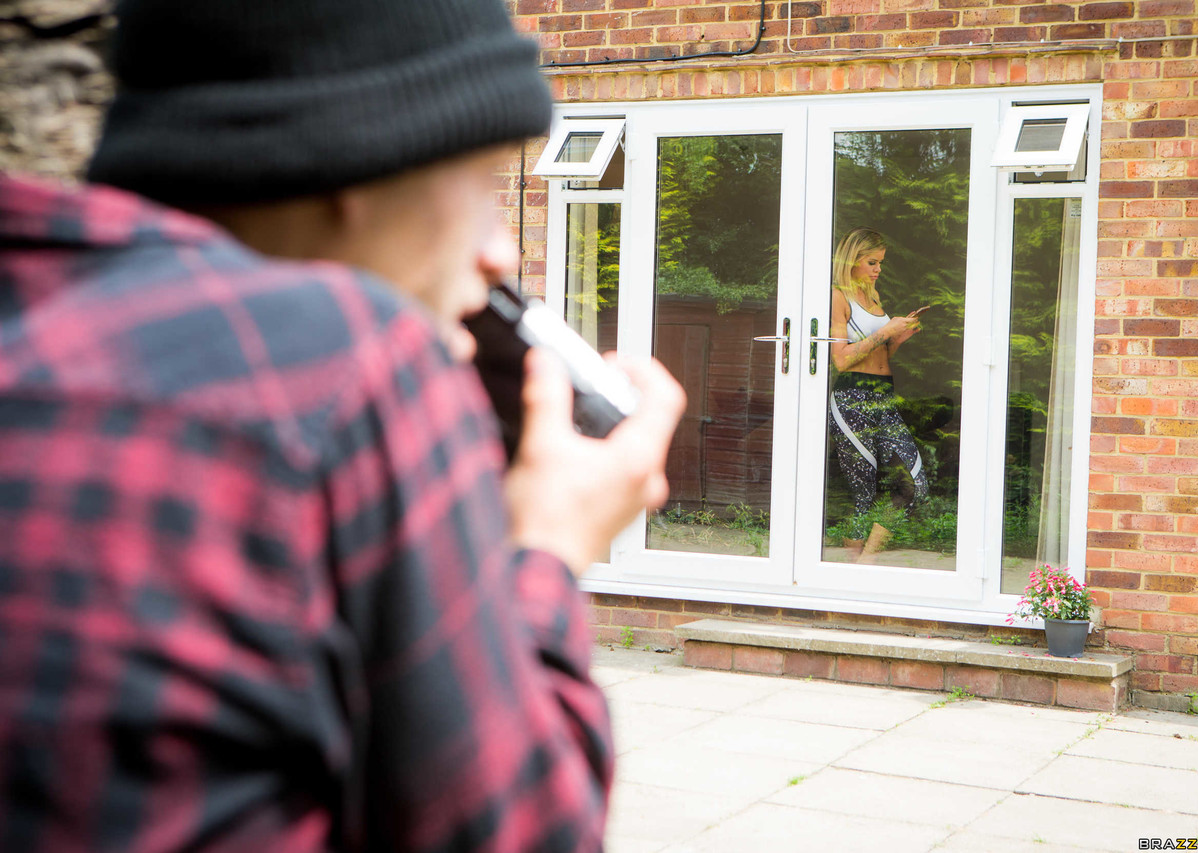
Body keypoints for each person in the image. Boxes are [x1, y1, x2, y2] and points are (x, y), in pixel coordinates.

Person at [0, 1, 685, 851]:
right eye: (479, 188)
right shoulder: (351, 362)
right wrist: (547, 545)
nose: (500, 254)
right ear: (350, 163)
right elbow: (519, 831)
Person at [827, 227, 929, 563]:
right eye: (872, 262)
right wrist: (886, 331)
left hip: (883, 395)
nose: (878, 269)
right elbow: (841, 359)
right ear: (852, 260)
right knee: (862, 491)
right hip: (852, 397)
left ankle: (866, 556)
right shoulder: (838, 296)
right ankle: (859, 566)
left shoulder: (873, 296)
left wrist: (897, 339)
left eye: (880, 263)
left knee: (914, 483)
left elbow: (880, 355)